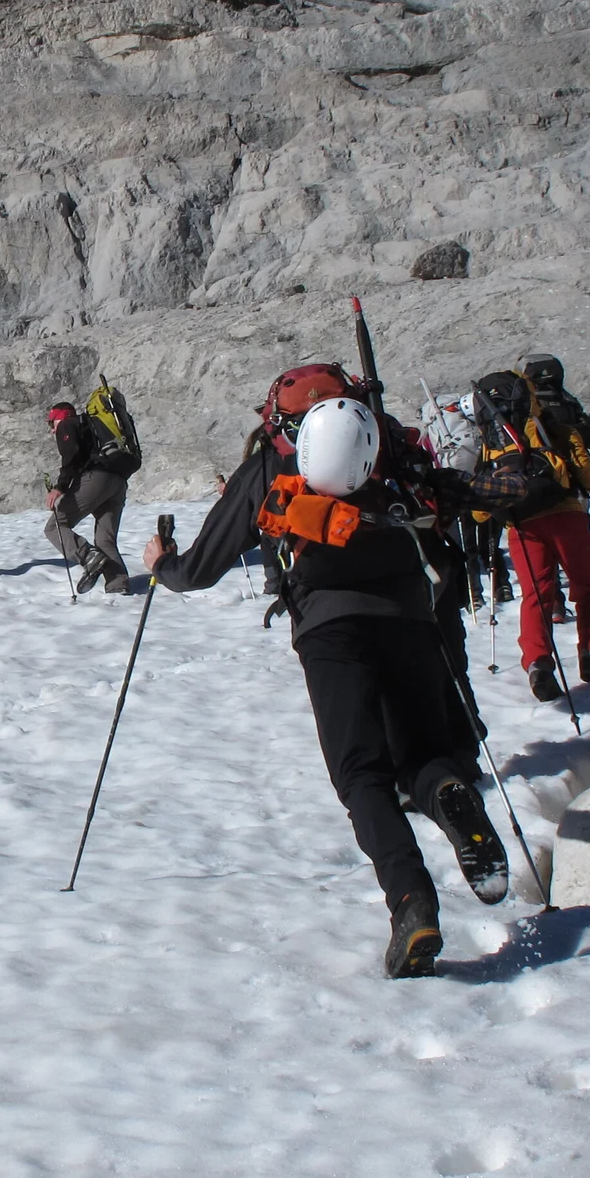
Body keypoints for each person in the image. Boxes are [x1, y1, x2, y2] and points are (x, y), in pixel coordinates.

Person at [141, 362, 532, 979]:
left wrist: (162, 563)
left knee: (361, 775)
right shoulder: (387, 449)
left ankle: (412, 903)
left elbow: (200, 569)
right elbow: (473, 493)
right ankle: (446, 792)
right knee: (422, 754)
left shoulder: (269, 467)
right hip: (412, 615)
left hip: (329, 628)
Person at [471, 358, 590, 700]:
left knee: (536, 596)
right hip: (567, 517)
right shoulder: (556, 430)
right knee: (589, 588)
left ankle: (538, 664)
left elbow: (479, 510)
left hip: (522, 526)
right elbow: (584, 471)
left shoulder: (492, 446)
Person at [43, 400, 134, 595]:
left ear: (60, 417)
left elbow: (71, 458)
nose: (52, 430)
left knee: (55, 526)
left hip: (96, 479)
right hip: (118, 482)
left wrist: (59, 487)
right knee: (105, 539)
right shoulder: (91, 428)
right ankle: (118, 586)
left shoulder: (68, 424)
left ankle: (88, 556)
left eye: (52, 423)